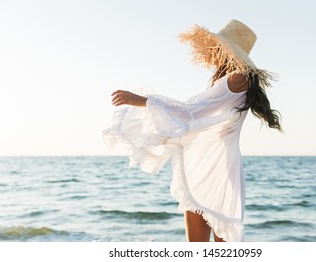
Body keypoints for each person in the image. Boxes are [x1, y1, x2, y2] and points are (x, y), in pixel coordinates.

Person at [103, 19, 282, 242]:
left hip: (217, 167)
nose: (213, 52)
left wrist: (143, 100)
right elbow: (196, 114)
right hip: (212, 163)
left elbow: (191, 112)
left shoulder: (237, 79)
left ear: (227, 51)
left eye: (217, 47)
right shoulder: (231, 80)